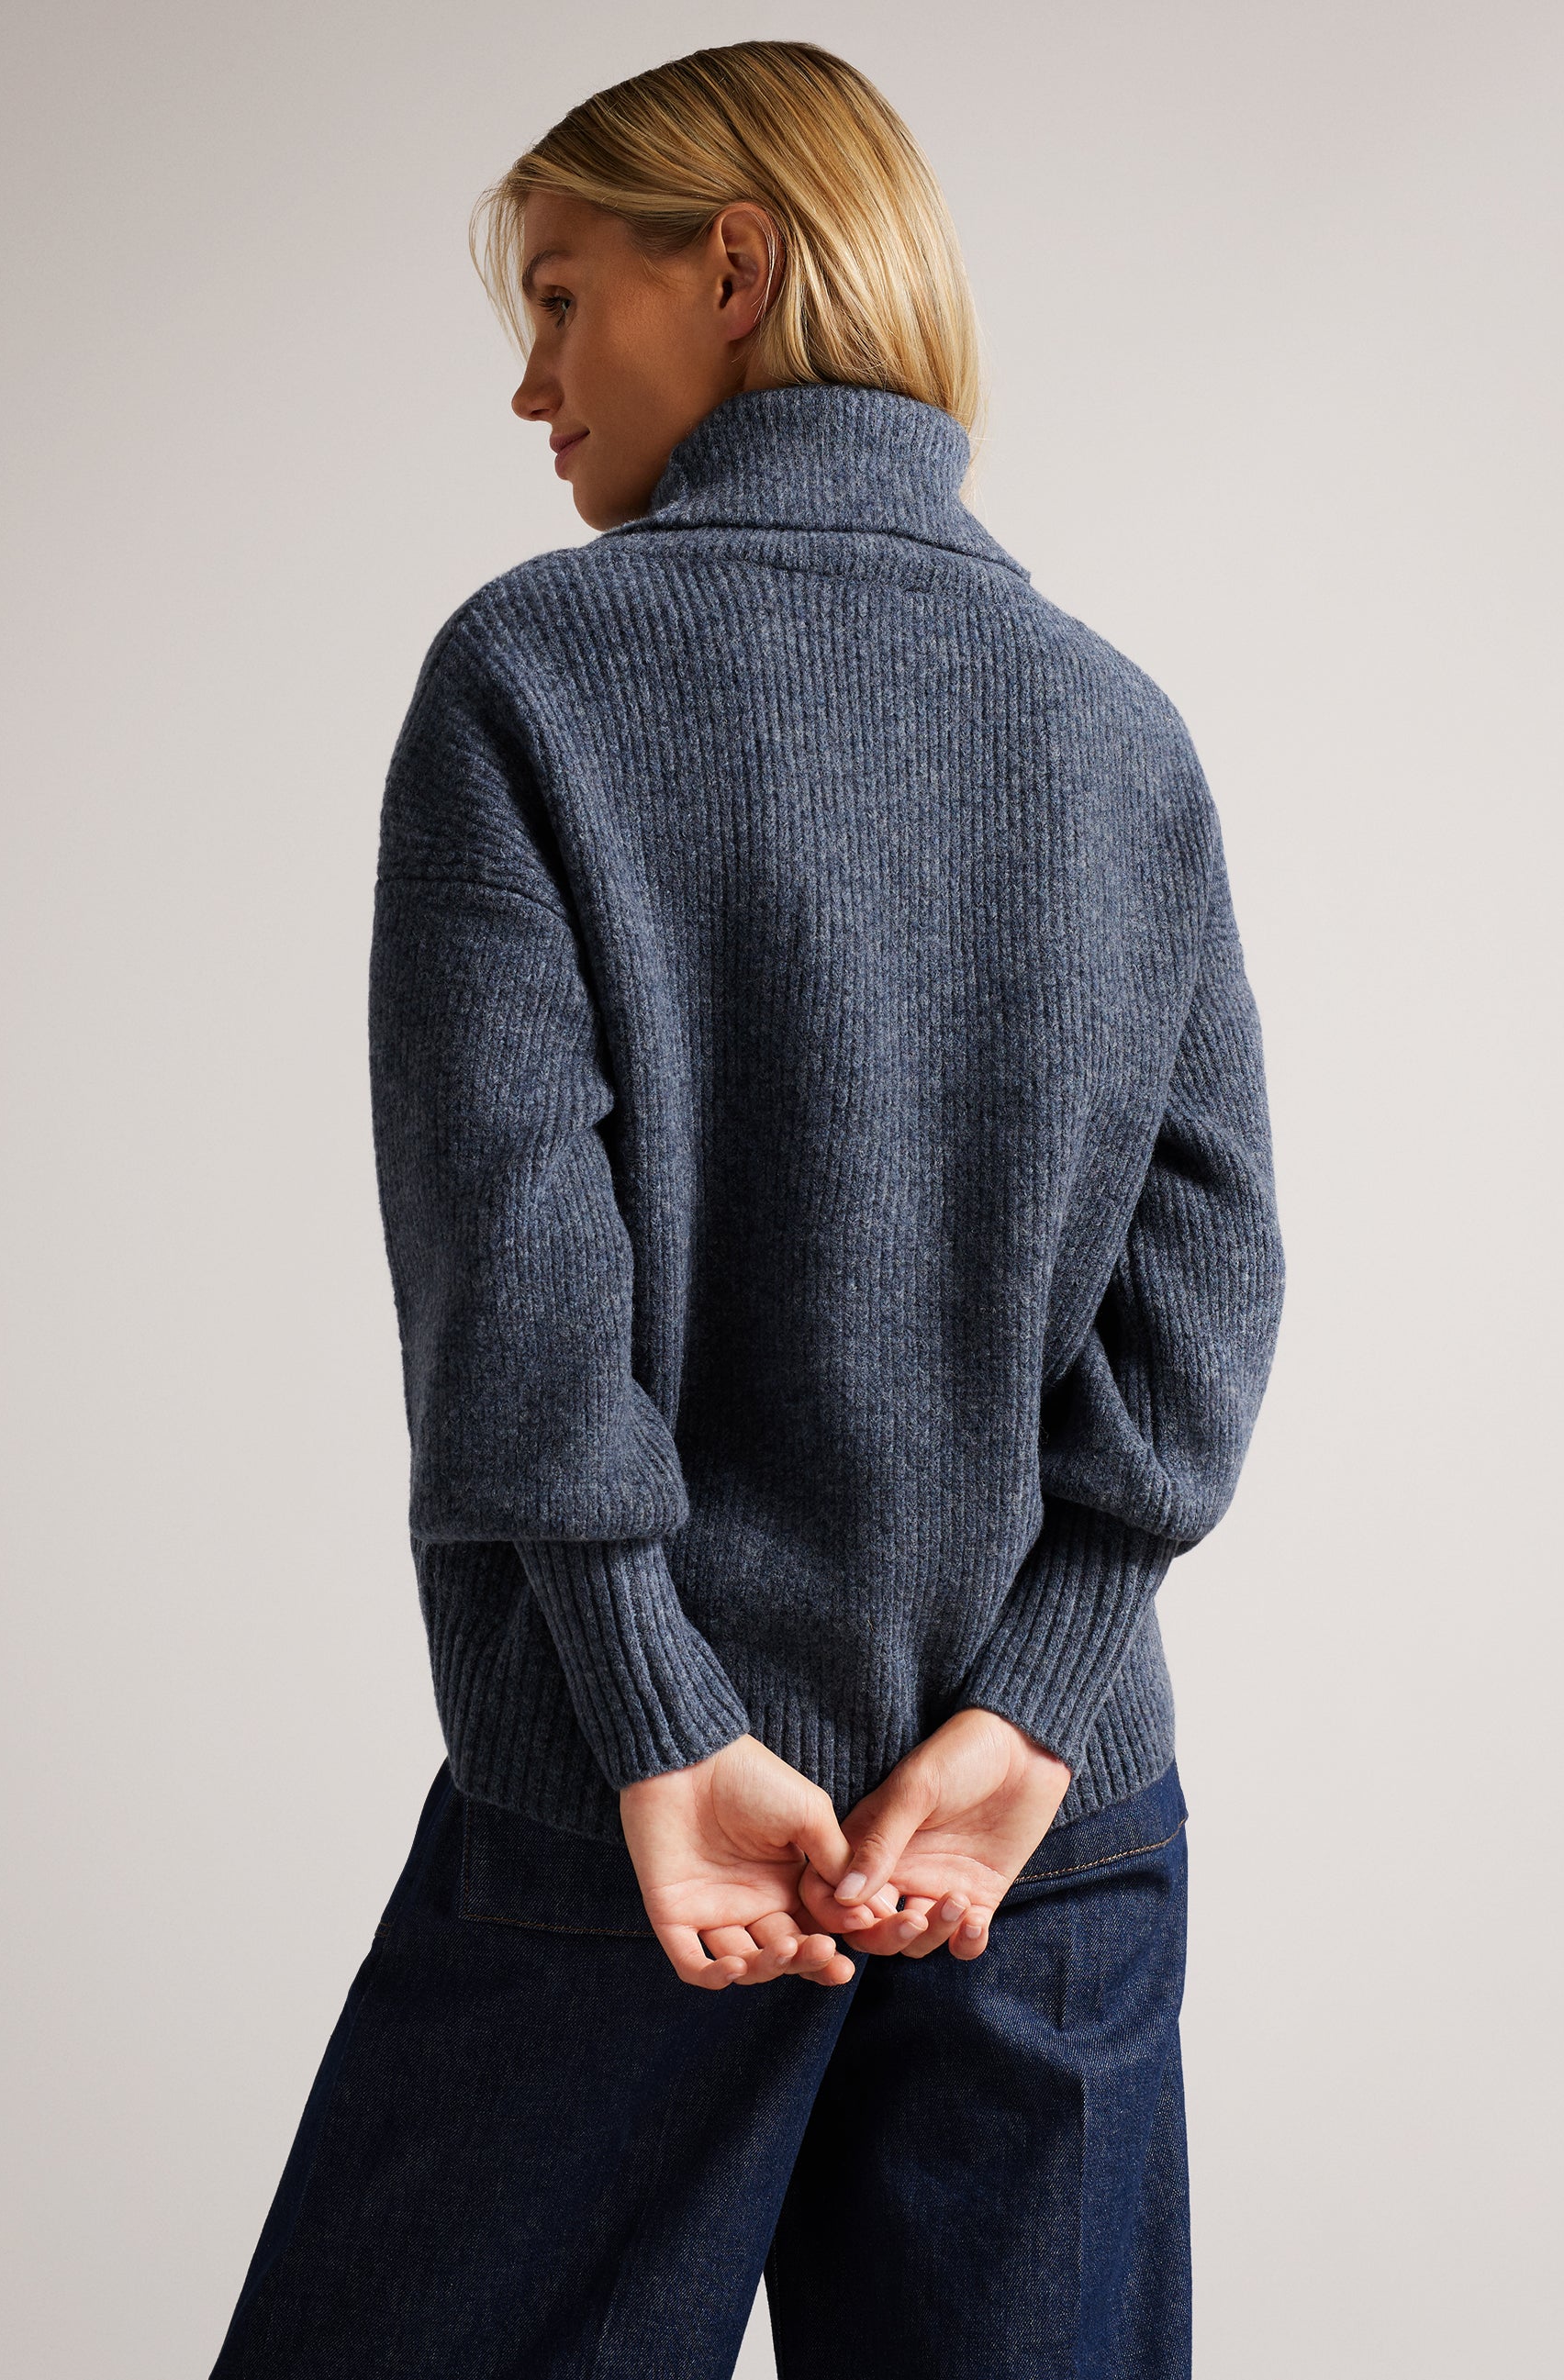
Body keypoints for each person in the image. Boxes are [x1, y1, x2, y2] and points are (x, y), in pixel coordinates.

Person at [208, 38, 1282, 2380]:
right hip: (1029, 1837)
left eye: (557, 297)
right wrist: (1034, 1707)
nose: (529, 385)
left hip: (643, 1827)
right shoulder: (1118, 728)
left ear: (734, 265)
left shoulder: (532, 676)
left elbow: (516, 1271)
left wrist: (652, 1713)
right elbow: (1205, 1274)